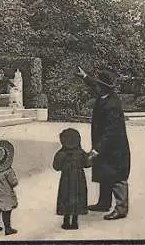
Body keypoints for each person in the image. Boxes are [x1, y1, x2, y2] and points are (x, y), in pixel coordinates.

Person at [76, 67, 130, 220]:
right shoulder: (104, 95)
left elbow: (110, 132)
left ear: (103, 87)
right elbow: (94, 84)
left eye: (98, 85)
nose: (96, 86)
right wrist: (85, 76)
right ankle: (104, 203)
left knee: (117, 176)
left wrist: (96, 150)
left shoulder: (112, 104)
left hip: (114, 147)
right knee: (104, 172)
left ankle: (121, 208)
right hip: (106, 145)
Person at [53, 128, 92, 230]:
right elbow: (87, 164)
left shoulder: (61, 153)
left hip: (66, 179)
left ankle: (66, 222)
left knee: (66, 198)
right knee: (78, 198)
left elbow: (56, 167)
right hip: (79, 178)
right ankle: (75, 222)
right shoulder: (80, 152)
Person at [0, 140, 18, 235]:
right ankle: (8, 228)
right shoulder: (8, 171)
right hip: (5, 194)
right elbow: (13, 182)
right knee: (7, 210)